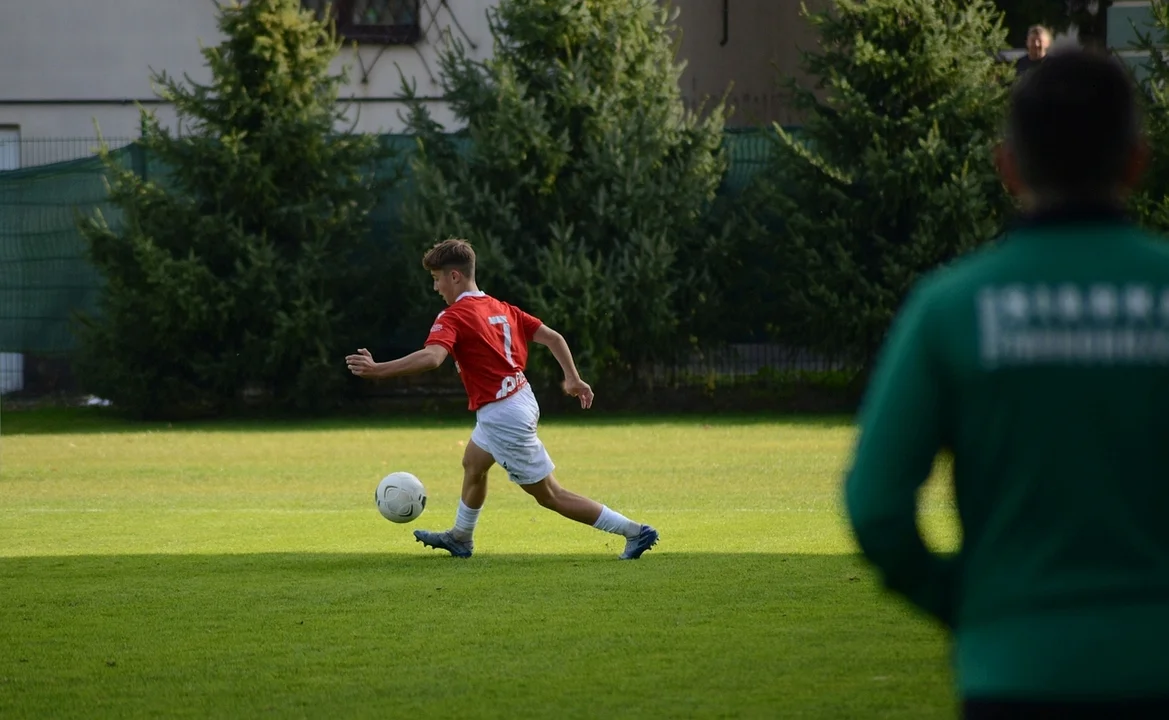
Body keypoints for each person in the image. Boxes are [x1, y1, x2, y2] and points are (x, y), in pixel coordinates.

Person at [845, 48, 1169, 718]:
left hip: (1014, 669)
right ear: (1137, 160)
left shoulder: (950, 307)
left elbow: (875, 507)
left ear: (1007, 166)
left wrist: (973, 604)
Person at [346, 238, 659, 560]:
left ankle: (634, 532)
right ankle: (460, 537)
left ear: (455, 276)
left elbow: (432, 357)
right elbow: (553, 337)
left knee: (550, 494)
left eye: (437, 278)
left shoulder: (453, 316)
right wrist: (572, 378)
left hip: (502, 414)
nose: (436, 286)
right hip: (519, 397)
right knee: (473, 464)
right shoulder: (500, 307)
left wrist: (377, 370)